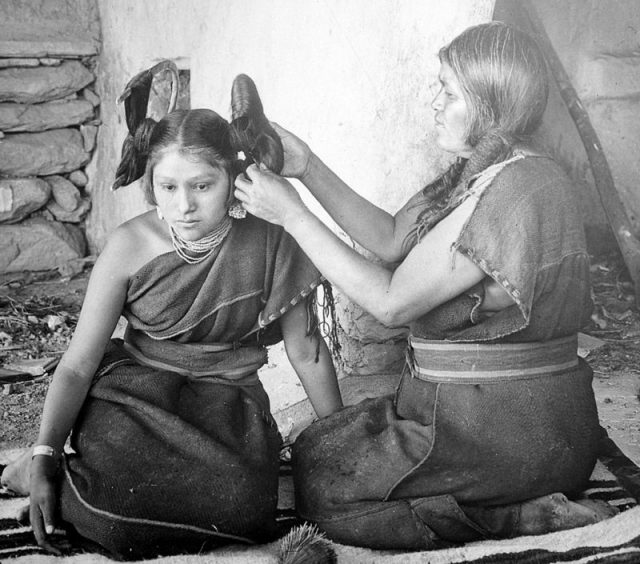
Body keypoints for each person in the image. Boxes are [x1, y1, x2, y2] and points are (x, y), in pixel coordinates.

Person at [233, 21, 615, 549]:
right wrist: (307, 167)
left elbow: (391, 303)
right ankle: (498, 498)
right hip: (496, 413)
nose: (435, 102)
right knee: (318, 444)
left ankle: (519, 518)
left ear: (490, 103)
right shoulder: (485, 167)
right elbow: (392, 238)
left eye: (449, 91)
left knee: (326, 491)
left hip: (514, 431)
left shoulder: (517, 189)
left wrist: (292, 216)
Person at [0, 90, 342, 556]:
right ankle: (43, 472)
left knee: (243, 511)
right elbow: (79, 364)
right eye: (168, 187)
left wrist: (340, 443)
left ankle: (75, 485)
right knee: (118, 517)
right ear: (151, 184)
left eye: (203, 186)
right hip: (138, 394)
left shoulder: (271, 238)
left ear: (234, 177)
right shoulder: (129, 245)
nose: (184, 205)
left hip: (229, 397)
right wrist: (44, 451)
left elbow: (307, 351)